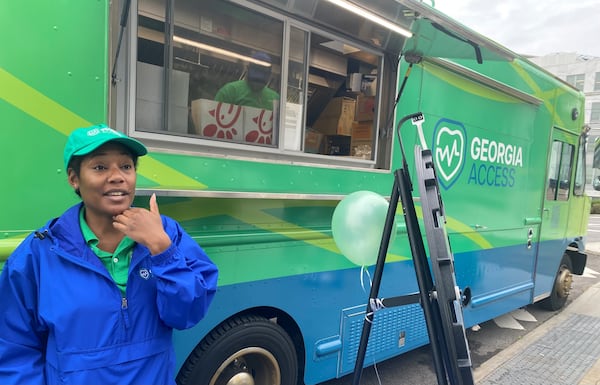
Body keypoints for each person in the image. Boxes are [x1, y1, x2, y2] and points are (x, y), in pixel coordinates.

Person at [0, 124, 218, 384]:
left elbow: (186, 315)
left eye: (126, 166)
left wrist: (162, 250)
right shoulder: (42, 251)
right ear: (74, 178)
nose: (117, 177)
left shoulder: (166, 233)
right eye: (100, 167)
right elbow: (14, 347)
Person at [215, 51, 280, 110]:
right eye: (256, 70)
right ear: (248, 69)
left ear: (269, 74)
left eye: (263, 71)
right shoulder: (230, 91)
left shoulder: (275, 98)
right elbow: (214, 117)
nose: (259, 76)